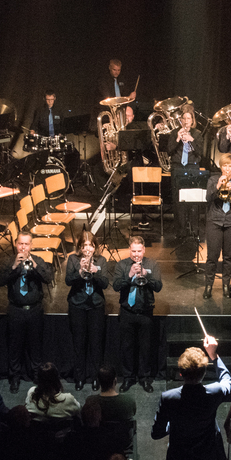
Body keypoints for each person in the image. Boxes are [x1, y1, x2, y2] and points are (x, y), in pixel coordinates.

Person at [0, 232, 54, 393]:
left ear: (31, 246)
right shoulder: (9, 261)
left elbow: (48, 278)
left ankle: (37, 377)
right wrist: (14, 267)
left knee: (35, 346)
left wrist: (34, 265)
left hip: (34, 310)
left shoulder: (38, 260)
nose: (23, 247)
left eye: (26, 244)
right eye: (20, 244)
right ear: (16, 244)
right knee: (15, 346)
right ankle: (14, 377)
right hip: (16, 310)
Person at [112, 236, 163, 393]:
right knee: (127, 347)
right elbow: (115, 286)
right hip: (127, 311)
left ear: (144, 250)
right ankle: (128, 378)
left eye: (139, 251)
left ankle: (144, 378)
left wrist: (145, 276)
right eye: (133, 251)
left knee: (145, 347)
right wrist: (129, 276)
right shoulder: (122, 265)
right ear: (129, 250)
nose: (136, 255)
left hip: (145, 311)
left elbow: (158, 286)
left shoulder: (152, 264)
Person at [65, 232, 109, 391]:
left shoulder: (102, 261)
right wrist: (79, 271)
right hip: (77, 305)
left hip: (96, 306)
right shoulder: (72, 259)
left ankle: (96, 377)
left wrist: (94, 272)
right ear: (80, 247)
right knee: (79, 343)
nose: (88, 249)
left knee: (96, 344)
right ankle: (80, 378)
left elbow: (105, 284)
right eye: (85, 246)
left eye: (91, 245)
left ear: (95, 247)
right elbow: (68, 281)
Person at [203, 153, 231, 299]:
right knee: (212, 257)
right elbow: (208, 198)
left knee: (229, 257)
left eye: (230, 166)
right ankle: (208, 286)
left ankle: (226, 285)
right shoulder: (213, 179)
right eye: (225, 165)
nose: (227, 169)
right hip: (215, 220)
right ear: (221, 167)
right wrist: (218, 185)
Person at [167, 107, 206, 238]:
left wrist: (191, 140)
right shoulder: (174, 133)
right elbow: (169, 151)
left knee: (193, 199)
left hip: (192, 167)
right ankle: (181, 230)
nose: (186, 120)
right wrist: (178, 138)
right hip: (178, 167)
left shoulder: (197, 134)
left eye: (189, 118)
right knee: (178, 200)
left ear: (192, 120)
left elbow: (200, 153)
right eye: (184, 118)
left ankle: (194, 229)